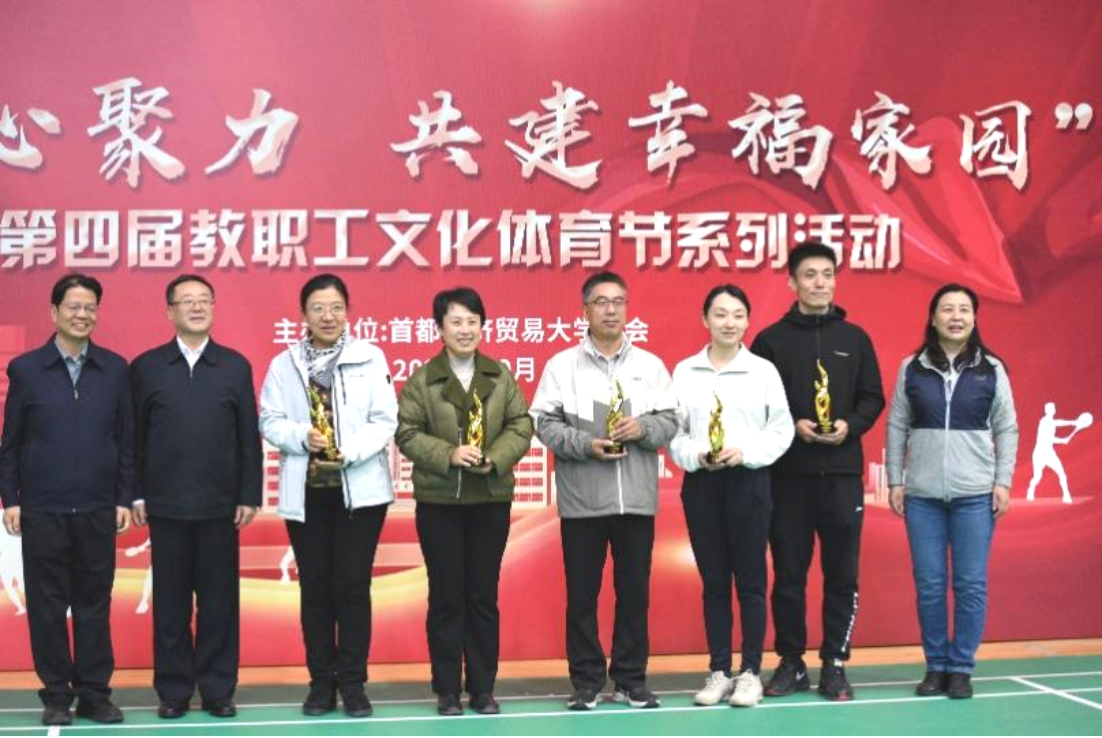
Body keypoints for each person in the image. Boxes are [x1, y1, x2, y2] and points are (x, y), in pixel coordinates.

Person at [530, 271, 679, 711]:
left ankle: (631, 680)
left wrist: (643, 427)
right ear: (585, 311)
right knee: (582, 598)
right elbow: (544, 424)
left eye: (618, 302)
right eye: (601, 302)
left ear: (627, 308)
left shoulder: (649, 365)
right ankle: (587, 682)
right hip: (583, 502)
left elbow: (671, 421)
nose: (611, 310)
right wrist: (586, 444)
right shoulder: (562, 366)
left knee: (634, 595)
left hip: (636, 501)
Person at [751, 242, 885, 701]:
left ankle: (835, 663)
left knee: (842, 575)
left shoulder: (856, 338)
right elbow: (756, 403)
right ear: (792, 282)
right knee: (788, 575)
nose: (819, 282)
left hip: (843, 475)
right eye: (809, 275)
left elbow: (872, 397)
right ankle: (791, 663)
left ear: (835, 280)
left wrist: (850, 426)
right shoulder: (770, 341)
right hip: (788, 477)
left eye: (827, 274)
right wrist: (792, 425)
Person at [259, 274, 397, 718]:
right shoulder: (284, 364)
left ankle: (353, 685)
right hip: (307, 495)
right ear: (303, 314)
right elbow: (269, 420)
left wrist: (347, 451)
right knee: (316, 590)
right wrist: (303, 436)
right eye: (318, 308)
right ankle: (321, 684)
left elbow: (385, 418)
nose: (328, 316)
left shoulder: (369, 357)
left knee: (352, 588)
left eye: (336, 307)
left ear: (348, 312)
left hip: (361, 494)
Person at [0, 274, 134, 726]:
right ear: (54, 312)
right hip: (43, 508)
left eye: (90, 307)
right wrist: (10, 498)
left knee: (95, 604)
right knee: (47, 606)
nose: (82, 314)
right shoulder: (26, 369)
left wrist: (123, 497)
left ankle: (95, 694)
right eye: (73, 306)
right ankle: (57, 694)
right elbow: (11, 442)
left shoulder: (115, 369)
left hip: (97, 508)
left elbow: (126, 441)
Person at [396, 287, 533, 716]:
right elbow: (407, 433)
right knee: (446, 597)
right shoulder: (423, 379)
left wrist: (496, 458)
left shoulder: (500, 375)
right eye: (455, 321)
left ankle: (483, 688)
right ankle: (447, 690)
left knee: (482, 596)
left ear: (482, 326)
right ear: (439, 328)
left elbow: (521, 424)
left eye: (472, 321)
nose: (465, 329)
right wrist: (448, 454)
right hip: (440, 502)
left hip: (489, 498)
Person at [130, 274, 262, 719]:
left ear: (213, 307)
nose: (197, 307)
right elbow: (133, 438)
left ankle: (218, 689)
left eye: (204, 299)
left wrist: (248, 494)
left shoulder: (234, 366)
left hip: (220, 506)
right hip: (164, 505)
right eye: (187, 301)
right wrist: (135, 493)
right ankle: (173, 691)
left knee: (218, 604)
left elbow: (248, 437)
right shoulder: (147, 367)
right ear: (169, 311)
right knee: (169, 605)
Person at [886, 283, 1018, 699]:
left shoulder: (991, 369)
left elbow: (1007, 428)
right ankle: (935, 666)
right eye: (947, 309)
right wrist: (895, 480)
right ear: (933, 317)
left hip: (975, 494)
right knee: (929, 585)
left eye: (964, 309)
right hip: (922, 496)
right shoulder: (912, 368)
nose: (956, 316)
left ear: (975, 318)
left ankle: (961, 668)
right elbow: (897, 425)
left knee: (970, 584)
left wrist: (1002, 481)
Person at [669, 285, 793, 708]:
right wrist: (697, 456)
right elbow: (675, 434)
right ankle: (720, 671)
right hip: (703, 484)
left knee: (751, 583)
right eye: (720, 314)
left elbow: (781, 429)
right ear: (705, 320)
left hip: (748, 483)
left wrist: (747, 453)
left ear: (747, 321)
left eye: (738, 315)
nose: (729, 322)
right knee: (715, 583)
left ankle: (750, 673)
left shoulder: (762, 371)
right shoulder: (685, 371)